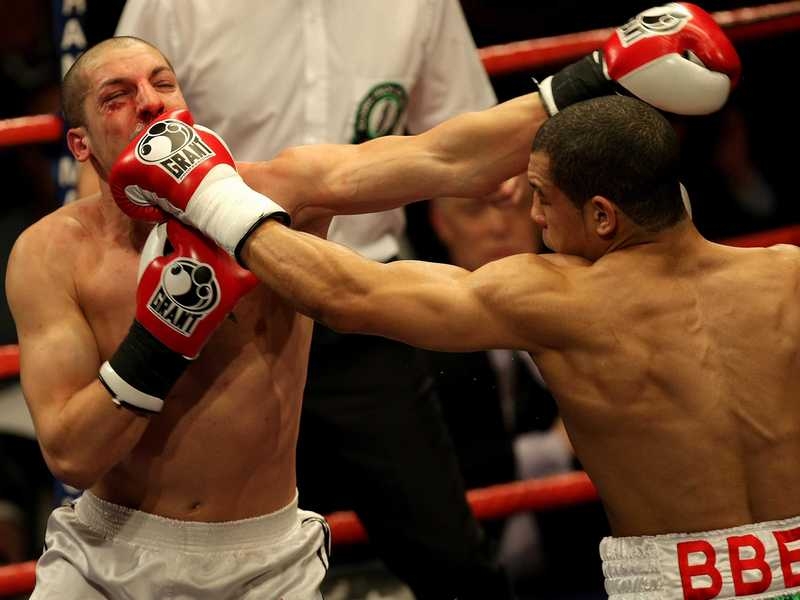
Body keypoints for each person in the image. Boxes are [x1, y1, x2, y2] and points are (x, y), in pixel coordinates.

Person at [8, 4, 738, 597]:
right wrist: (160, 340)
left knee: (452, 558)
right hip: (105, 556)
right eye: (118, 96)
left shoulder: (281, 188)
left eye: (161, 84)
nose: (149, 104)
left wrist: (599, 72)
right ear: (78, 143)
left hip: (259, 561)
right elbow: (70, 452)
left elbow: (448, 155)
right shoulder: (49, 254)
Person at [112, 3, 514, 596]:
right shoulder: (179, 5)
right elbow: (117, 132)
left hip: (364, 306)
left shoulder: (418, 5)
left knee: (449, 558)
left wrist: (518, 159)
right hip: (218, 319)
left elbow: (464, 136)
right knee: (210, 561)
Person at [424, 190, 609, 598]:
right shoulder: (415, 332)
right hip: (472, 568)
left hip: (592, 558)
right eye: (475, 208)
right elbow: (436, 470)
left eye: (510, 206)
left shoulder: (592, 299)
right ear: (441, 222)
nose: (497, 225)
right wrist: (555, 446)